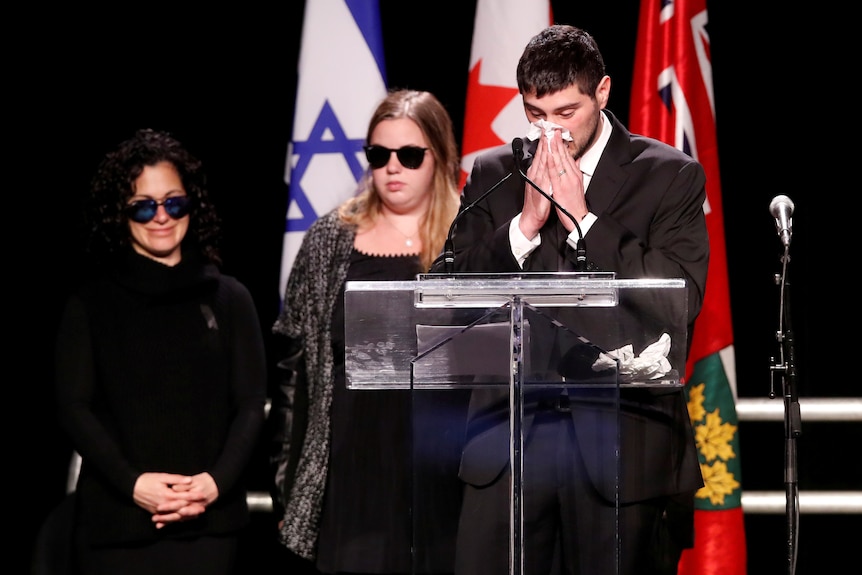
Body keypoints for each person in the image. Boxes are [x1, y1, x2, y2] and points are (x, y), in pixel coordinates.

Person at [431, 25, 708, 575]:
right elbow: (451, 295)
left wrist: (584, 220)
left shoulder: (670, 175)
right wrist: (524, 227)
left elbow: (679, 299)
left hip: (621, 448)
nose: (548, 130)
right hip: (506, 450)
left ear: (602, 92)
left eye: (565, 112)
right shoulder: (492, 173)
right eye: (535, 113)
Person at [54, 128, 268, 575]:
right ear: (121, 214)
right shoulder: (90, 304)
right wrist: (133, 485)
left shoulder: (229, 298)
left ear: (193, 204)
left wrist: (214, 484)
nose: (161, 217)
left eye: (174, 202)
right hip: (118, 525)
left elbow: (251, 404)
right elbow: (73, 407)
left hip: (210, 525)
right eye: (144, 206)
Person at [269, 89, 463, 575]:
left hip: (444, 468)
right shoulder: (328, 240)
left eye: (410, 155)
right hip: (350, 466)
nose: (393, 168)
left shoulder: (470, 239)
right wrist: (287, 480)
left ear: (438, 157)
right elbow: (294, 370)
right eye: (379, 155)